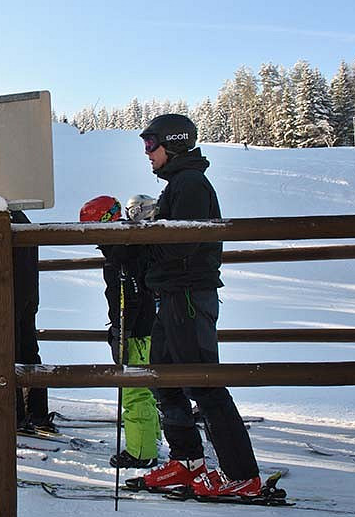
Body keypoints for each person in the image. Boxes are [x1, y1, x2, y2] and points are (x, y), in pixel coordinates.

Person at [136, 114, 261, 497]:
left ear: (172, 143)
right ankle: (187, 459)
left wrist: (142, 241)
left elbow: (182, 244)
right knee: (163, 375)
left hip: (188, 295)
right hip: (174, 294)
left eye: (151, 145)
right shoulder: (178, 184)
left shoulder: (190, 183)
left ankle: (241, 473)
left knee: (202, 381)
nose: (147, 153)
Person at [80, 194, 161, 469]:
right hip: (144, 327)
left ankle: (141, 452)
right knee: (144, 387)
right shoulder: (127, 246)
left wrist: (121, 332)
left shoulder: (121, 254)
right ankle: (150, 441)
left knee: (134, 390)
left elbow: (129, 295)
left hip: (137, 332)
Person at [10, 210, 53, 433]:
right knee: (29, 351)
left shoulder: (1, 218)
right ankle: (37, 412)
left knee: (9, 354)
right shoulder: (23, 219)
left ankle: (15, 414)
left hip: (9, 297)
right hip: (29, 295)